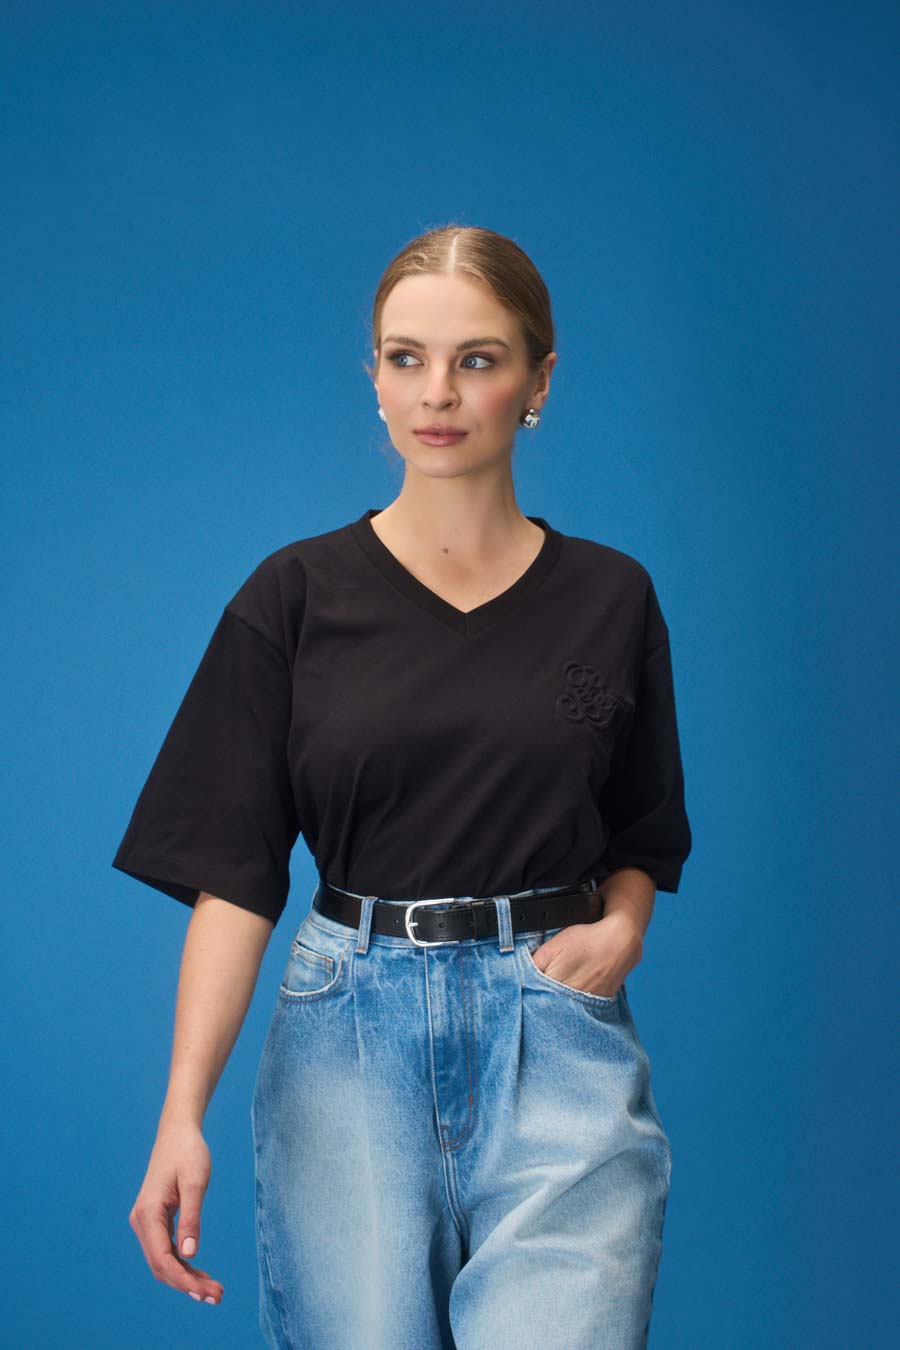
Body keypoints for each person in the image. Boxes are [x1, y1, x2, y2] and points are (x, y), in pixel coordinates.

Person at [113, 223, 692, 1349]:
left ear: (539, 380)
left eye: (478, 359)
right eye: (405, 358)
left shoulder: (613, 598)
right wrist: (181, 1114)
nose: (437, 393)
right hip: (347, 1044)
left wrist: (622, 929)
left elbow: (644, 832)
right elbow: (234, 876)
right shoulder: (293, 597)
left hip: (556, 1036)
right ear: (374, 376)